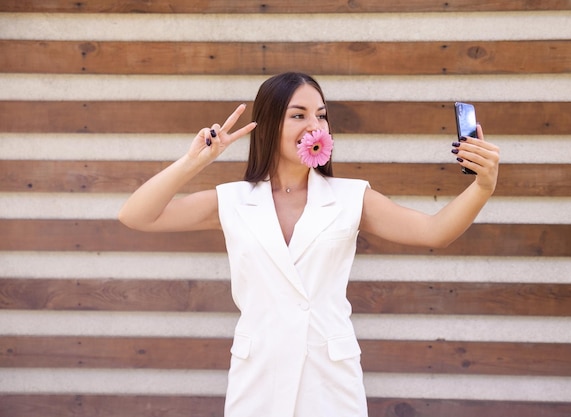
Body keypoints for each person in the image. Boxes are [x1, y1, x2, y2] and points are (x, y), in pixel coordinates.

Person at [118, 72, 500, 416]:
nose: (314, 125)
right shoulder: (232, 200)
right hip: (259, 379)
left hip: (329, 381)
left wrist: (483, 186)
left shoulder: (351, 197)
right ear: (268, 125)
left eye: (321, 115)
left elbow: (435, 232)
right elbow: (136, 215)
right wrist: (193, 162)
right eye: (298, 115)